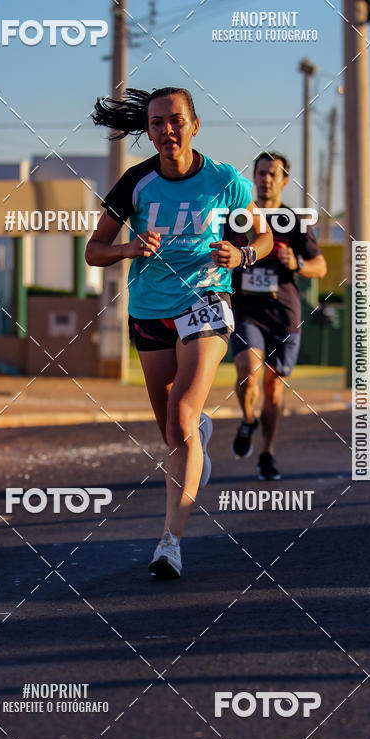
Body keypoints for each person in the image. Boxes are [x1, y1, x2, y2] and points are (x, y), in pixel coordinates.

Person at [86, 87, 273, 578]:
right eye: (156, 123)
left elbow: (264, 235)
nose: (166, 130)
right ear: (147, 131)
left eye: (175, 120)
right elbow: (94, 249)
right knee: (173, 433)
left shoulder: (226, 181)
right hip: (149, 309)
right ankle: (197, 437)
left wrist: (244, 254)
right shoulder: (135, 183)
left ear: (194, 125)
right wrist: (128, 250)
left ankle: (170, 543)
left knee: (182, 411)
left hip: (207, 299)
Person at [227, 151, 327, 480]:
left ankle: (266, 453)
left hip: (283, 314)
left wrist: (296, 263)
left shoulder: (295, 221)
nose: (266, 179)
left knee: (273, 389)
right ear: (253, 177)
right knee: (247, 372)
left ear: (284, 181)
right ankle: (247, 419)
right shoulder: (237, 217)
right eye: (261, 173)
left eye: (273, 174)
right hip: (246, 310)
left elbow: (320, 266)